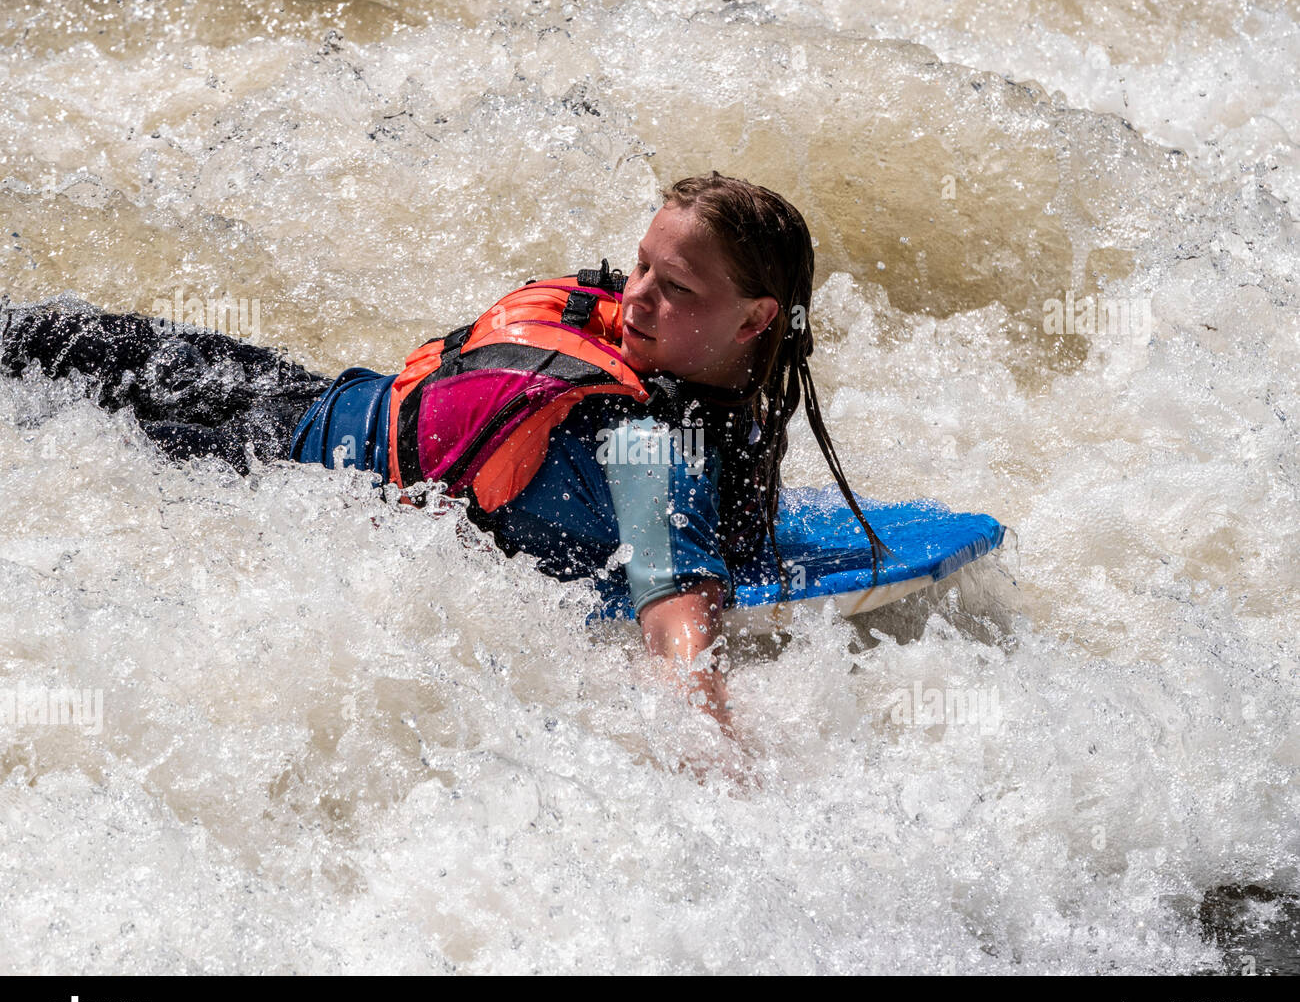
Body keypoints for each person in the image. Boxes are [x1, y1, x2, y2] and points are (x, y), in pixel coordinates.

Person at [0, 172, 883, 732]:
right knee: (53, 345)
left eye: (675, 287)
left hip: (309, 431)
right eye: (640, 267)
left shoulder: (673, 435)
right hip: (284, 435)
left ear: (758, 320)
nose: (636, 298)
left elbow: (664, 598)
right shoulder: (656, 435)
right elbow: (670, 606)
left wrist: (711, 748)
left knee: (56, 354)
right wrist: (719, 749)